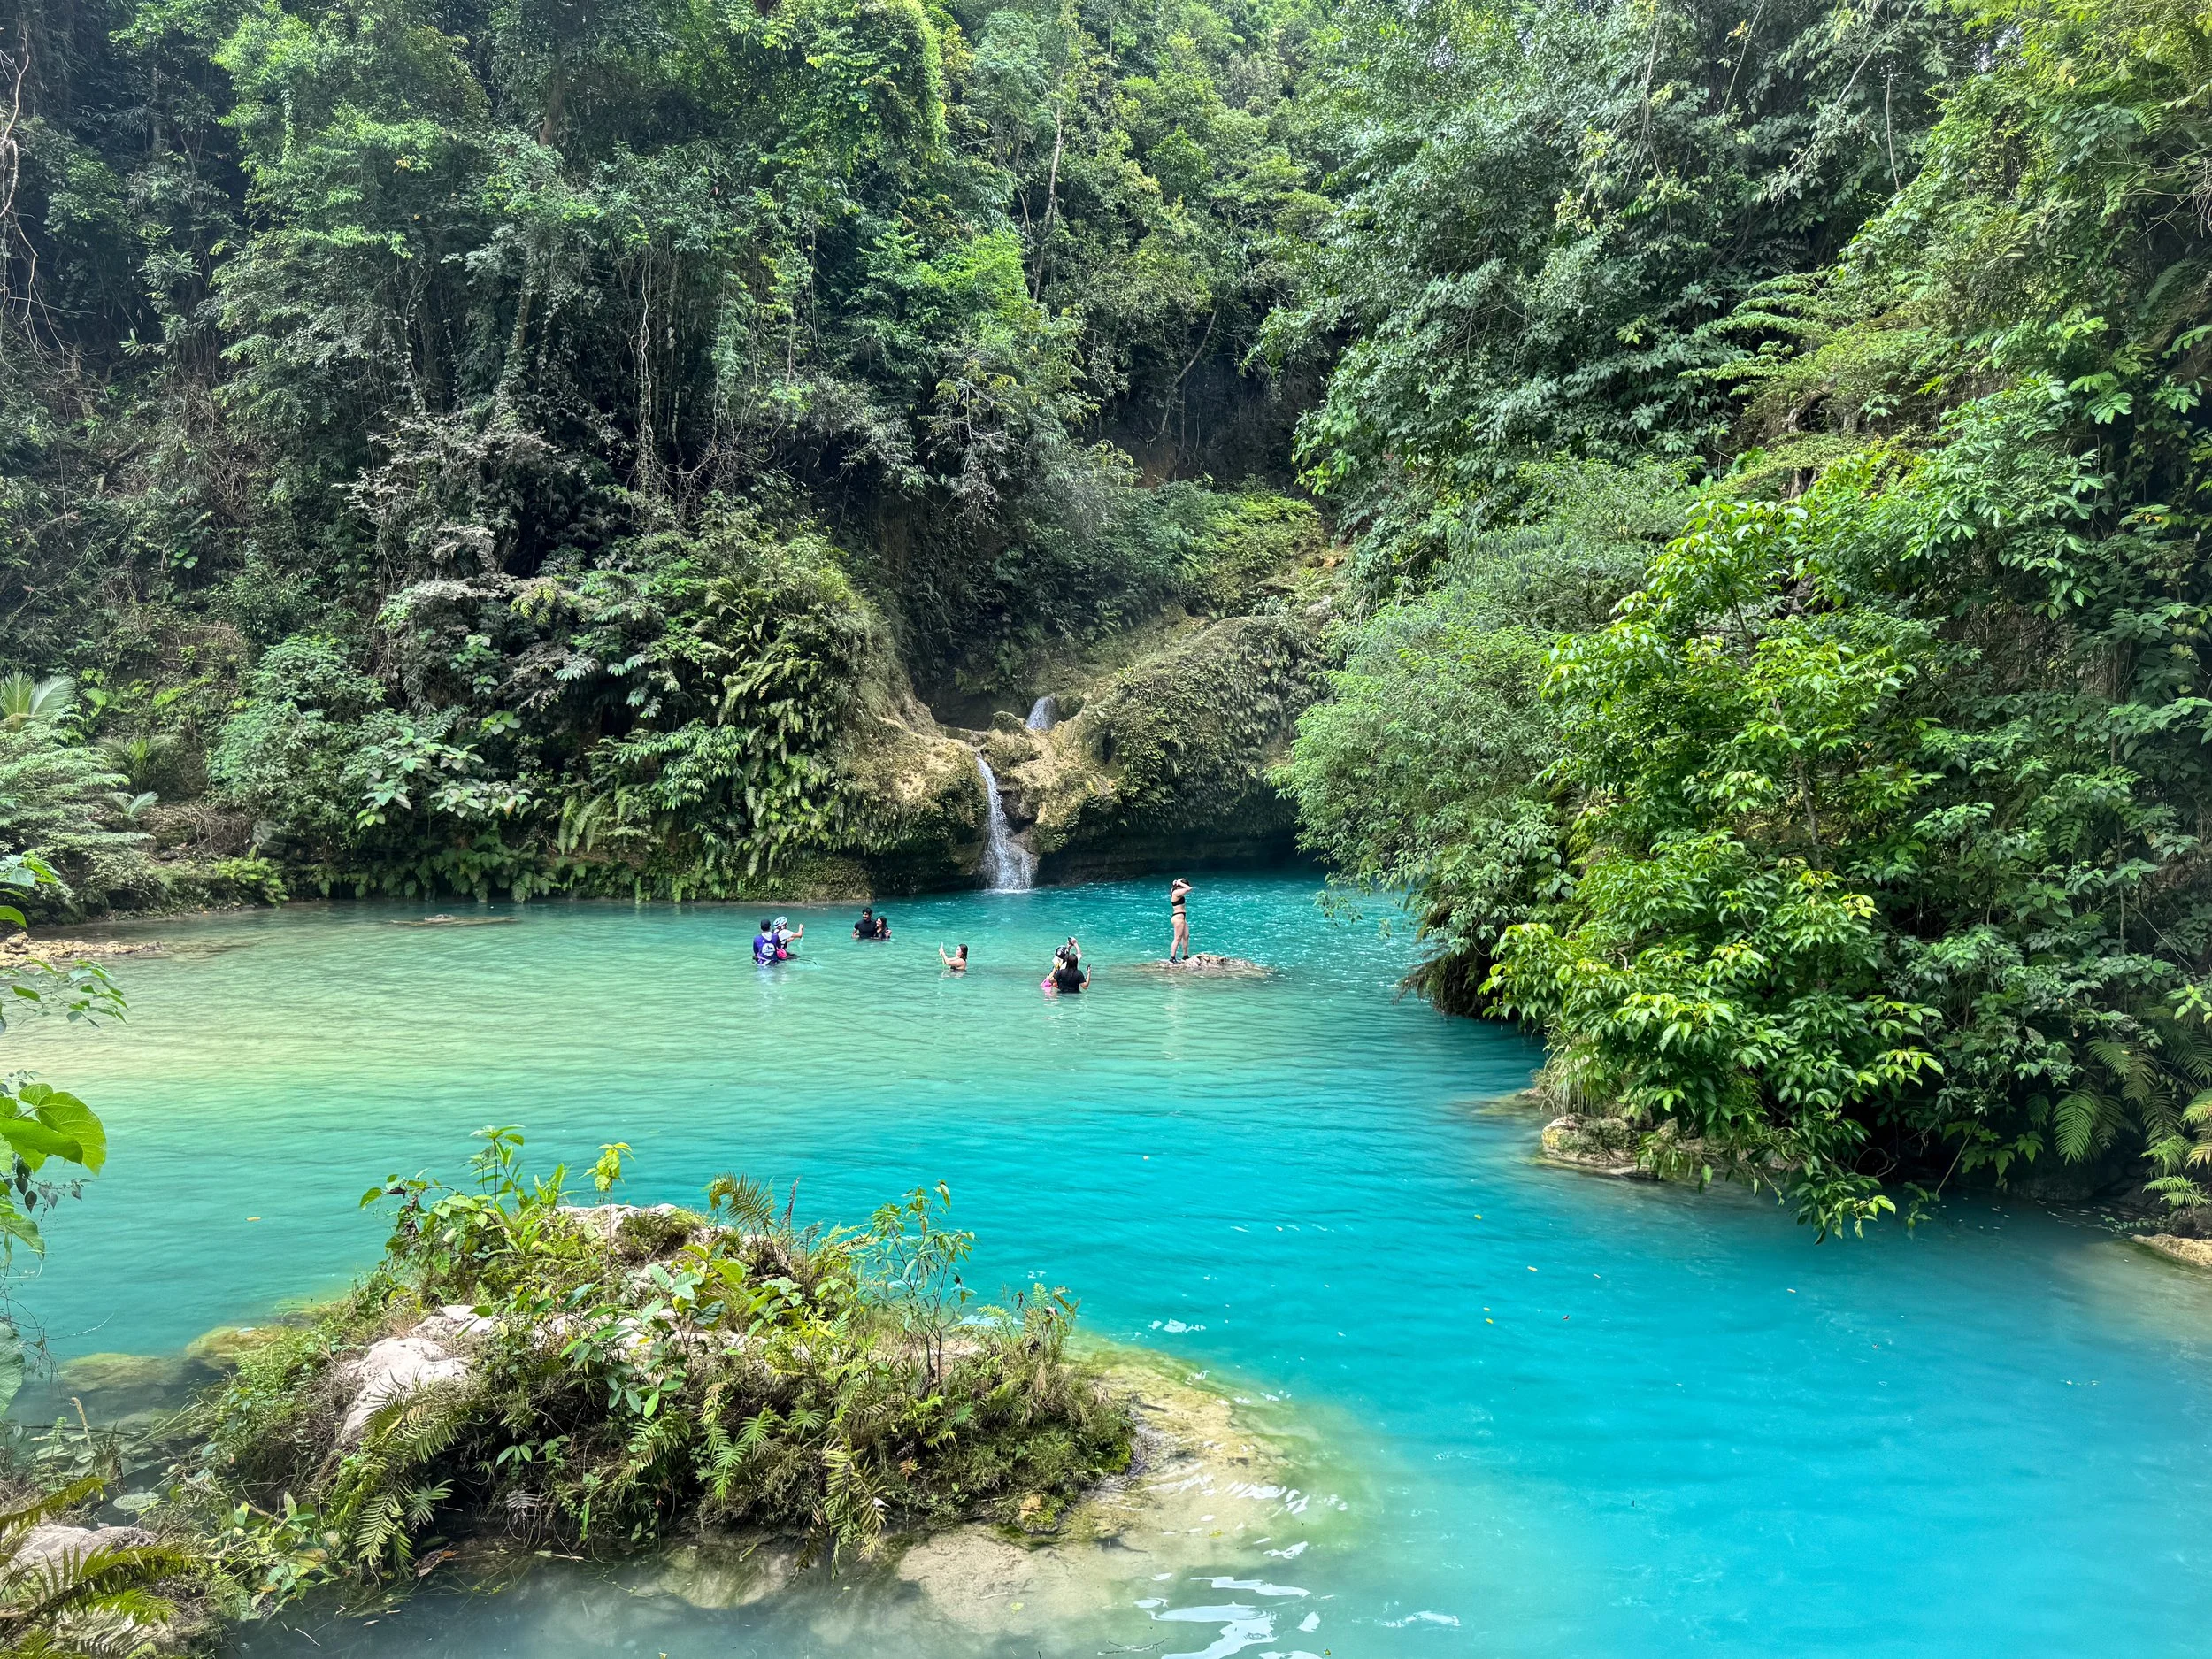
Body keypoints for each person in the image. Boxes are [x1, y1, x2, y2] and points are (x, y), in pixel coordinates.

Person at [1169, 878, 1194, 962]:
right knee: (1177, 938)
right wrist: (1179, 882)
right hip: (1178, 917)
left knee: (1186, 936)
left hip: (1182, 917)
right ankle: (1172, 958)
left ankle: (1185, 956)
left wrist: (1177, 882)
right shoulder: (1176, 892)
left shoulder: (1175, 891)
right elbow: (1189, 889)